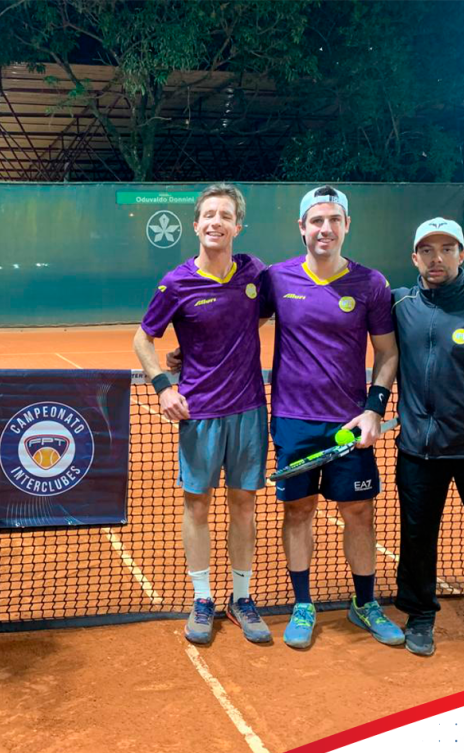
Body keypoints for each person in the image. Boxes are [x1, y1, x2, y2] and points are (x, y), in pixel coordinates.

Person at [259, 186, 403, 649]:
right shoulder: (277, 278)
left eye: (334, 220)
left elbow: (387, 353)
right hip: (293, 420)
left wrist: (374, 409)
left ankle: (365, 603)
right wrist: (193, 354)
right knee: (298, 511)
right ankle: (303, 604)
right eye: (317, 220)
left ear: (346, 225)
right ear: (302, 227)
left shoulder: (371, 283)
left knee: (359, 512)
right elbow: (239, 325)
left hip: (349, 423)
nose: (326, 228)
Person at [134, 184, 272, 646]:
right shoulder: (175, 282)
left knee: (244, 504)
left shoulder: (254, 272)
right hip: (199, 412)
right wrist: (163, 385)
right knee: (197, 505)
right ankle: (202, 598)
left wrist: (227, 338)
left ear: (238, 226)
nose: (216, 221)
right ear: (196, 225)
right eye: (208, 215)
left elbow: (260, 314)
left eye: (225, 215)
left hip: (249, 409)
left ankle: (242, 598)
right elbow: (142, 339)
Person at [392, 218, 464, 666]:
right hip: (419, 449)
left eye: (446, 248)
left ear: (462, 254)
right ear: (414, 257)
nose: (436, 258)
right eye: (427, 250)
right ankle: (419, 616)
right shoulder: (400, 305)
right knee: (417, 537)